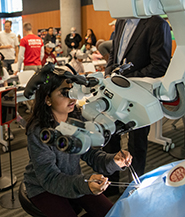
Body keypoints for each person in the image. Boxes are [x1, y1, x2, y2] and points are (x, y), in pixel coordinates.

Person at [23, 68, 132, 217]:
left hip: (72, 179)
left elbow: (91, 154)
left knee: (113, 213)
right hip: (42, 186)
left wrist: (113, 160)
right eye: (64, 93)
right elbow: (49, 178)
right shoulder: (39, 131)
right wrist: (84, 185)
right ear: (47, 99)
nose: (72, 98)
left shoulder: (77, 118)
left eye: (73, 91)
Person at [104, 15, 172, 196]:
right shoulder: (121, 20)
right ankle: (110, 187)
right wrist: (109, 70)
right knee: (109, 138)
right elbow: (114, 52)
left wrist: (128, 77)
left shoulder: (157, 24)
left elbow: (160, 65)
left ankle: (134, 189)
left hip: (140, 93)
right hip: (115, 89)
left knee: (137, 142)